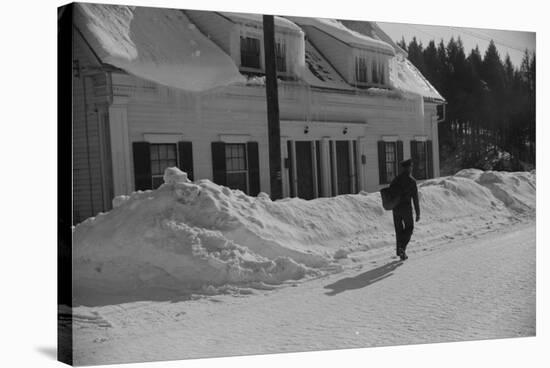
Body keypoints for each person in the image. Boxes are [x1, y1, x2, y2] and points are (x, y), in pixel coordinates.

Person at [389, 158, 420, 261]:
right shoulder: (412, 181)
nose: (412, 168)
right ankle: (402, 247)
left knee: (399, 230)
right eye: (411, 166)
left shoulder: (396, 179)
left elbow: (390, 192)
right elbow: (415, 198)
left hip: (396, 209)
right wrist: (418, 213)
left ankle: (401, 252)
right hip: (406, 209)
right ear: (409, 168)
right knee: (409, 228)